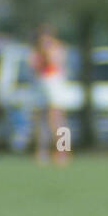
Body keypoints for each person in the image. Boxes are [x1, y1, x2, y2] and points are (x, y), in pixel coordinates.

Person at [29, 24, 67, 165]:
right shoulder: (35, 51)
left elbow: (57, 62)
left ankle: (63, 151)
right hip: (40, 83)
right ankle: (41, 151)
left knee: (57, 118)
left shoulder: (56, 48)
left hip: (53, 82)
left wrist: (47, 52)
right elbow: (33, 67)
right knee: (41, 118)